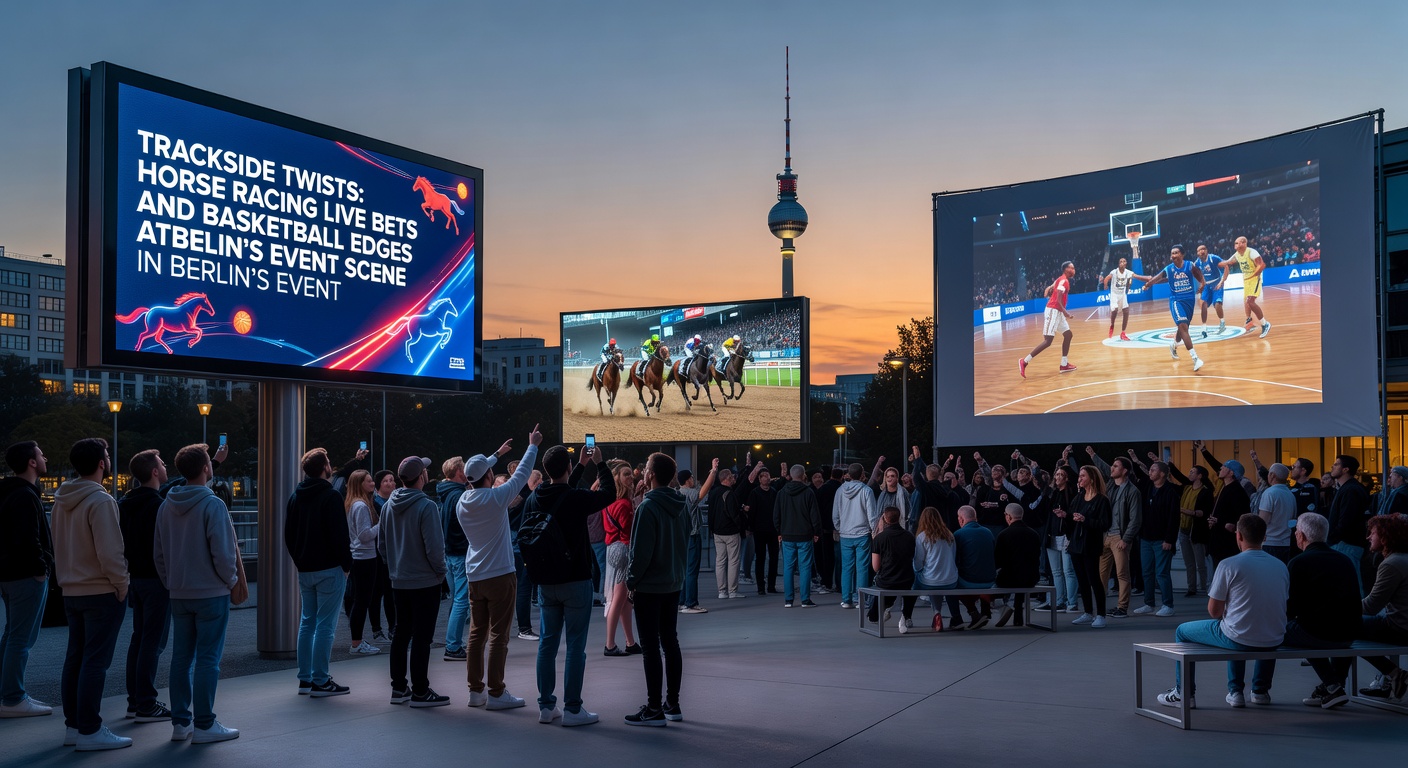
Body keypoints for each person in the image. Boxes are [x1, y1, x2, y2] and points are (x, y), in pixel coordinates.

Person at [154, 443, 242, 743]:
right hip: (211, 593)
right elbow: (223, 552)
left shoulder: (166, 505)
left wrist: (171, 583)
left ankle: (181, 723)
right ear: (207, 468)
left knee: (181, 658)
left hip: (179, 594)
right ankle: (205, 723)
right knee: (207, 659)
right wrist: (230, 581)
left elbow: (159, 554)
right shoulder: (213, 504)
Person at [1157, 514, 1288, 710]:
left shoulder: (1229, 564)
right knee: (1252, 623)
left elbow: (1214, 612)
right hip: (1274, 638)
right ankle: (1260, 691)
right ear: (1265, 537)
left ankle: (1185, 693)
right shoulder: (1281, 566)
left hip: (1239, 637)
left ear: (1239, 536)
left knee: (1184, 631)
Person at [527, 443, 616, 727]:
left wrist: (577, 465)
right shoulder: (576, 497)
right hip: (576, 579)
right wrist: (598, 464)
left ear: (544, 470)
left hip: (545, 581)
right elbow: (609, 494)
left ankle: (545, 706)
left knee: (547, 645)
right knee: (575, 646)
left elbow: (561, 492)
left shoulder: (535, 497)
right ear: (566, 468)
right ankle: (573, 709)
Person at [52, 438, 131, 750]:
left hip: (71, 589)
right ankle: (91, 729)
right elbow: (110, 552)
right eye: (107, 456)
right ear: (101, 463)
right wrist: (122, 585)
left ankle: (75, 726)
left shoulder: (61, 500)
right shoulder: (101, 501)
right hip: (100, 590)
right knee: (96, 662)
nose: (109, 459)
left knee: (75, 659)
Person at [457, 427, 540, 711]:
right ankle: (496, 692)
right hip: (500, 574)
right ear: (490, 477)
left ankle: (475, 691)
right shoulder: (495, 498)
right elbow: (521, 476)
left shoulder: (462, 501)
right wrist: (532, 446)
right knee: (499, 636)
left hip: (474, 575)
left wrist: (495, 455)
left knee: (476, 633)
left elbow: (477, 473)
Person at [623, 453, 688, 727]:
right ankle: (672, 704)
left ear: (650, 474)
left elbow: (640, 553)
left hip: (649, 586)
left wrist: (631, 582)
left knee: (650, 647)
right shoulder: (680, 504)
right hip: (673, 583)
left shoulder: (647, 508)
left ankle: (653, 708)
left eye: (646, 468)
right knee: (670, 641)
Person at [285, 448, 353, 698]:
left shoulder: (296, 496)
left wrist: (300, 560)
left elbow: (289, 535)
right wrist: (346, 565)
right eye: (329, 462)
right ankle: (321, 679)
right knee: (326, 626)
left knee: (307, 622)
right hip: (329, 568)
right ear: (324, 468)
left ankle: (305, 679)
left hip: (306, 569)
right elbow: (339, 536)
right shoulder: (331, 496)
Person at [1279, 513, 1361, 709]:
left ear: (1303, 536)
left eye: (1296, 531)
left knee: (1292, 630)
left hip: (1317, 633)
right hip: (1350, 632)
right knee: (1333, 624)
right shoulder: (1345, 560)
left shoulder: (1299, 562)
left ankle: (1332, 686)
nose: (1295, 535)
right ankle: (1334, 686)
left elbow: (1291, 606)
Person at [117, 449, 173, 723]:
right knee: (153, 642)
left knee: (138, 639)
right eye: (162, 464)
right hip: (157, 580)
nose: (165, 467)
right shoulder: (159, 505)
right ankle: (147, 704)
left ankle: (135, 701)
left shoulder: (125, 503)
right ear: (154, 472)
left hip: (135, 578)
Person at [0, 441, 54, 719]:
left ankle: (7, 694)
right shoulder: (25, 495)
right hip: (25, 575)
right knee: (21, 638)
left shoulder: (10, 492)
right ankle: (12, 698)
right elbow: (28, 538)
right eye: (41, 454)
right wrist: (41, 569)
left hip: (9, 574)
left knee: (12, 635)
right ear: (32, 463)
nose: (45, 458)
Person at [1356, 513, 1408, 703]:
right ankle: (1387, 679)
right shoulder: (1402, 559)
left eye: (1373, 533)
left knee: (1344, 626)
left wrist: (1339, 608)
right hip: (1401, 623)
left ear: (1387, 536)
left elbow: (1370, 606)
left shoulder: (1392, 564)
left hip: (1400, 628)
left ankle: (1393, 674)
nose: (1368, 537)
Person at [1138, 243, 1207, 372]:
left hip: (1189, 300)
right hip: (1176, 301)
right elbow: (1157, 278)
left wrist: (1202, 284)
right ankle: (1195, 358)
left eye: (1176, 253)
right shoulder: (1169, 269)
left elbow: (1199, 275)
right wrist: (1148, 284)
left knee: (1183, 329)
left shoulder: (1189, 265)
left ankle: (1174, 345)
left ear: (1182, 254)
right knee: (1182, 326)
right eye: (1172, 254)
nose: (1173, 255)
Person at [1058, 468, 1111, 628]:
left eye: (1082, 476)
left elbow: (1105, 524)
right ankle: (1088, 612)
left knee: (1094, 579)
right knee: (1082, 580)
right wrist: (1064, 515)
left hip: (1091, 545)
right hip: (1076, 544)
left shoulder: (1102, 500)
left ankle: (1101, 614)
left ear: (1092, 478)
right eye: (1079, 476)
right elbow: (1072, 515)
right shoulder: (1079, 497)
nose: (1079, 479)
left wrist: (1085, 520)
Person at [337, 469, 382, 657]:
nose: (373, 484)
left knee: (359, 600)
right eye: (369, 481)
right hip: (365, 557)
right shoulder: (361, 506)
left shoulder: (352, 504)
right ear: (360, 484)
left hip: (358, 557)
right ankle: (357, 643)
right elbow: (364, 535)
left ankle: (357, 641)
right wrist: (382, 525)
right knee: (362, 601)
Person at [1091, 452, 1141, 618]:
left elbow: (1135, 519)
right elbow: (1104, 470)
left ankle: (1122, 608)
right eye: (1112, 466)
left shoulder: (1133, 491)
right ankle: (1100, 606)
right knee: (1101, 574)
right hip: (1105, 536)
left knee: (1122, 574)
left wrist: (1126, 539)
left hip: (1119, 537)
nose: (1112, 468)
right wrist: (1094, 456)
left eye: (1116, 466)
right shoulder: (1110, 486)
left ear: (1125, 470)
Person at [602, 460, 641, 656]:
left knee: (624, 600)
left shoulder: (610, 501)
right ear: (618, 478)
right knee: (619, 599)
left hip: (613, 548)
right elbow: (629, 532)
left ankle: (630, 641)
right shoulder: (624, 504)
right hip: (624, 550)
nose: (631, 477)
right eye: (626, 474)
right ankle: (609, 644)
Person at [1134, 461, 1182, 617]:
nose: (1150, 472)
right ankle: (1149, 603)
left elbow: (1173, 518)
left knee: (1162, 573)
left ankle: (1168, 604)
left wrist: (1169, 539)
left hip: (1162, 540)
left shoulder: (1170, 492)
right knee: (1146, 572)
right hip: (1146, 538)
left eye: (1153, 469)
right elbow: (1139, 474)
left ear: (1162, 473)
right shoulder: (1148, 488)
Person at [1018, 260, 1077, 377]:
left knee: (1068, 335)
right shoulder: (1064, 281)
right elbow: (1059, 300)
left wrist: (1048, 287)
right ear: (1066, 269)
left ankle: (1064, 364)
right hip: (1054, 310)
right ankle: (1024, 361)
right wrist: (1066, 313)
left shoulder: (1061, 279)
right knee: (1048, 341)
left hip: (1058, 312)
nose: (1074, 270)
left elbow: (1055, 283)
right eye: (1071, 268)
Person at [773, 463, 821, 608]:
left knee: (788, 567)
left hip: (787, 535)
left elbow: (776, 515)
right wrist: (816, 532)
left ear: (791, 475)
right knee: (805, 567)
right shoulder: (808, 492)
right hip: (805, 535)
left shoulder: (781, 493)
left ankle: (788, 600)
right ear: (803, 475)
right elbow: (814, 515)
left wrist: (779, 531)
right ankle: (805, 600)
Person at [437, 457, 471, 660]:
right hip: (459, 554)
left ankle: (453, 642)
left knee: (456, 601)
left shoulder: (446, 493)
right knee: (461, 601)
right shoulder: (459, 495)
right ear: (459, 471)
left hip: (449, 554)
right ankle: (453, 646)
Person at [1033, 466, 1078, 613]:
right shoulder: (1052, 493)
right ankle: (1059, 601)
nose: (1057, 477)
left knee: (1068, 571)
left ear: (1067, 478)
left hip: (1066, 535)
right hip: (1052, 535)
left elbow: (1074, 514)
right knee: (1056, 572)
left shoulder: (1072, 493)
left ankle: (1072, 602)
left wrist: (1065, 515)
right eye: (1056, 474)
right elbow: (1041, 504)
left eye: (1061, 474)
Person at [866, 508, 918, 634]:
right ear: (899, 518)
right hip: (907, 579)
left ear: (885, 518)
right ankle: (905, 615)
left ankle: (881, 611)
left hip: (887, 580)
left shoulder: (879, 538)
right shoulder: (909, 536)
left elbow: (876, 567)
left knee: (884, 583)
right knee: (907, 585)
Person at [833, 463, 878, 609]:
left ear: (848, 475)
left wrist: (840, 528)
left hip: (845, 534)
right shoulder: (866, 491)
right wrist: (874, 531)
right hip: (862, 533)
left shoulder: (840, 490)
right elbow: (872, 514)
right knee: (862, 567)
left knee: (846, 568)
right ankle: (861, 600)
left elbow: (835, 514)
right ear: (862, 474)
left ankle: (846, 599)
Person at [1325, 454, 1370, 593]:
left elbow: (1346, 520)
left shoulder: (1351, 490)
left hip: (1347, 543)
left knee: (1352, 582)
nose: (1333, 466)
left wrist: (1332, 537)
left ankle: (1359, 611)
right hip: (1345, 542)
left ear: (1345, 469)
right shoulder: (1348, 488)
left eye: (1337, 464)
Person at [994, 503, 1043, 627]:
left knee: (998, 580)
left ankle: (1004, 606)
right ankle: (1018, 611)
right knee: (1022, 571)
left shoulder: (1003, 534)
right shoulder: (1034, 534)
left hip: (1008, 579)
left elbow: (997, 561)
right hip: (1031, 578)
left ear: (1008, 516)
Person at [676, 466, 714, 614]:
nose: (693, 480)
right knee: (692, 571)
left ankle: (682, 600)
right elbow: (703, 492)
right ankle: (691, 603)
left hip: (681, 536)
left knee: (683, 570)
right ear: (687, 480)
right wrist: (713, 471)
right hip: (692, 535)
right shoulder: (690, 494)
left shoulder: (677, 493)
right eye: (691, 478)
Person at [912, 507, 958, 628]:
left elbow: (918, 562)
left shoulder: (922, 537)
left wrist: (919, 570)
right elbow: (953, 556)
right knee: (938, 580)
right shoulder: (949, 535)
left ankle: (907, 616)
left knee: (923, 578)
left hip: (930, 580)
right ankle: (945, 615)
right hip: (951, 580)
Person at [952, 505, 997, 629]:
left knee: (951, 583)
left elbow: (955, 560)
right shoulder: (988, 532)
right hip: (990, 580)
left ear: (961, 519)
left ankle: (973, 613)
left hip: (970, 581)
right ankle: (986, 611)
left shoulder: (959, 534)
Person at [1216, 235, 1271, 338]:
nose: (1236, 245)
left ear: (1244, 243)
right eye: (1235, 243)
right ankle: (1249, 321)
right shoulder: (1237, 254)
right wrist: (1216, 263)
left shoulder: (1252, 252)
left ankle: (1265, 324)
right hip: (1246, 279)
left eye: (1238, 243)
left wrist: (1255, 274)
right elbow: (1228, 262)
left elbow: (1262, 265)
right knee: (1246, 302)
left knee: (1250, 301)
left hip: (1255, 279)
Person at [708, 467, 746, 599]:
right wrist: (740, 525)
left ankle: (722, 591)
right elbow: (733, 513)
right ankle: (732, 591)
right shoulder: (729, 493)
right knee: (734, 560)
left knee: (720, 561)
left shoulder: (713, 492)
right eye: (731, 476)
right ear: (727, 478)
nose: (733, 478)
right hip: (730, 531)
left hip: (717, 531)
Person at [1177, 464, 1214, 595]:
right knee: (1189, 562)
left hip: (1197, 530)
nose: (1189, 474)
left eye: (1192, 472)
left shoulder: (1205, 492)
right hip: (1184, 528)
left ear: (1200, 476)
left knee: (1200, 561)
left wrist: (1185, 511)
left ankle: (1204, 586)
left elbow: (1203, 513)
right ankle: (1191, 587)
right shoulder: (1186, 488)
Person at [370, 469, 397, 645]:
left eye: (392, 480)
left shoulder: (394, 501)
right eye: (386, 481)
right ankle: (376, 629)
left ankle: (392, 627)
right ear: (379, 484)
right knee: (376, 592)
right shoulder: (374, 503)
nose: (390, 483)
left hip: (390, 551)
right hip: (376, 553)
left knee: (389, 592)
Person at [744, 464, 780, 595]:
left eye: (767, 476)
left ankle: (771, 585)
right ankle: (760, 586)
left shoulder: (774, 492)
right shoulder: (755, 493)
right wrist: (749, 527)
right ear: (759, 479)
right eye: (763, 476)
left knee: (774, 557)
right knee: (760, 558)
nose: (765, 478)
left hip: (772, 530)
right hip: (759, 530)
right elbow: (751, 512)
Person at [1100, 255, 1145, 340]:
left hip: (1122, 294)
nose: (1122, 263)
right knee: (1115, 310)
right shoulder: (1114, 272)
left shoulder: (1128, 272)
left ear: (1126, 264)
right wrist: (1105, 285)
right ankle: (1112, 325)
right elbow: (1106, 278)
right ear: (1118, 264)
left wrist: (1147, 279)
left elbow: (1136, 276)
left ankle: (1123, 333)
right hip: (1114, 294)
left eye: (1124, 261)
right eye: (1120, 261)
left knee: (1126, 311)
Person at [1258, 464, 1297, 563]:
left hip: (1270, 542)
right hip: (1286, 542)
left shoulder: (1269, 493)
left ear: (1272, 475)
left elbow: (1262, 521)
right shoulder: (1290, 494)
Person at [1192, 243, 1227, 338]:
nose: (1201, 251)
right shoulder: (1197, 263)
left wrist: (1222, 281)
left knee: (1217, 305)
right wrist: (1202, 283)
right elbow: (1196, 273)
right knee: (1203, 305)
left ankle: (1222, 323)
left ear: (1206, 251)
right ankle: (1204, 327)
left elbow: (1226, 266)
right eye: (1199, 250)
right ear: (1197, 253)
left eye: (1203, 249)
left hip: (1216, 283)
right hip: (1207, 285)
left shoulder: (1213, 258)